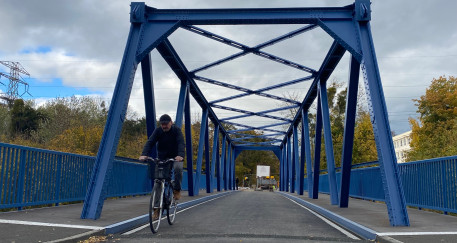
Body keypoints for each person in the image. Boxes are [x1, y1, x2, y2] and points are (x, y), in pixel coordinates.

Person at [139, 114, 185, 219]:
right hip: (163, 157)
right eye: (162, 124)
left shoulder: (177, 131)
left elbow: (181, 143)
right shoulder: (158, 131)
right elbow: (150, 142)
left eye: (166, 124)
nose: (164, 126)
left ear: (171, 122)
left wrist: (180, 155)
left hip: (176, 157)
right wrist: (144, 154)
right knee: (158, 181)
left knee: (178, 169)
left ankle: (177, 190)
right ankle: (156, 209)